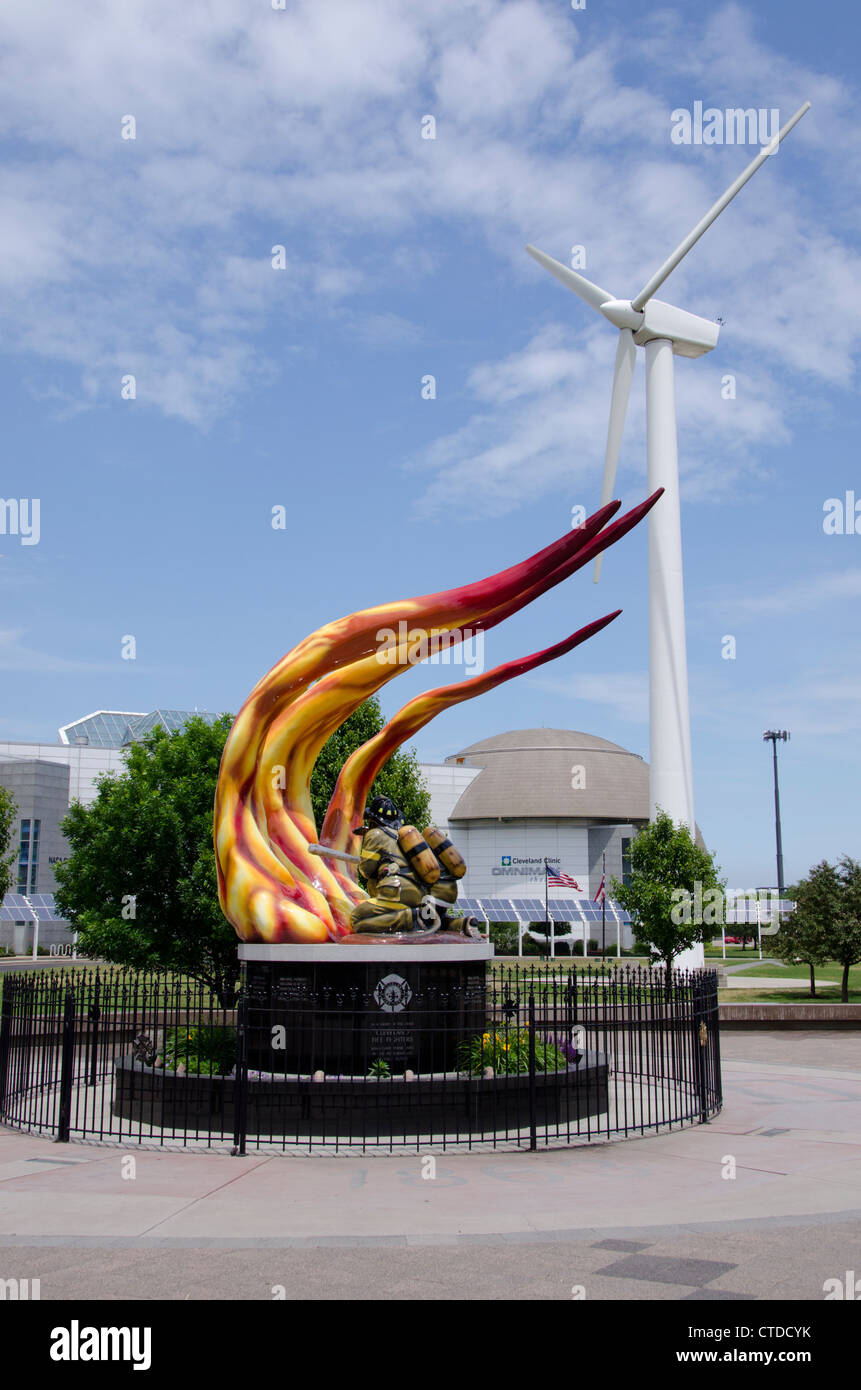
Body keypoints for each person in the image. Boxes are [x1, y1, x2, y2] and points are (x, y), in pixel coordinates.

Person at [349, 796, 480, 937]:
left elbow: (366, 870)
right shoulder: (404, 837)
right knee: (432, 920)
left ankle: (412, 918)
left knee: (357, 919)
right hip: (436, 892)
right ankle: (461, 924)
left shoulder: (375, 834)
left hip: (398, 892)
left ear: (372, 819)